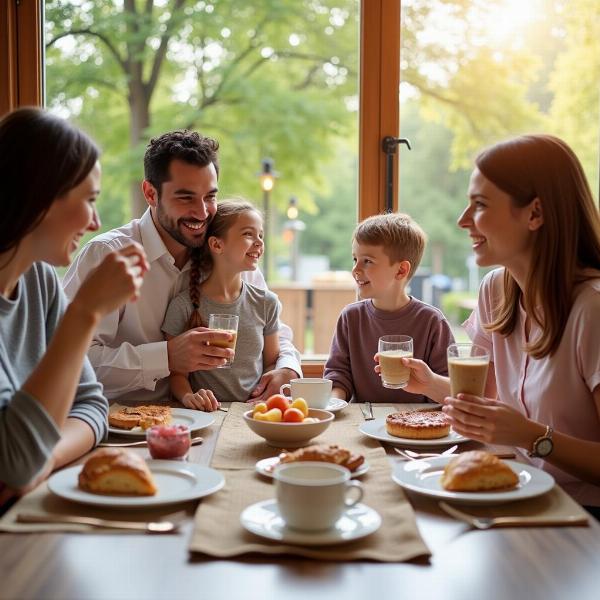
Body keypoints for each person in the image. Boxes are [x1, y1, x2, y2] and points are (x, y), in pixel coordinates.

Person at [399, 134, 600, 513]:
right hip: (515, 494)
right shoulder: (497, 291)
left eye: (479, 205)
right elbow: (488, 406)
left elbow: (516, 429)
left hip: (583, 519)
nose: (462, 221)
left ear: (535, 214)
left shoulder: (592, 310)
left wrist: (532, 437)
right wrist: (431, 384)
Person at [63, 130, 301, 406]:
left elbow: (274, 331)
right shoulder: (106, 255)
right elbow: (71, 359)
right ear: (150, 193)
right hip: (121, 425)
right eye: (186, 198)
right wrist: (165, 357)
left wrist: (287, 368)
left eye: (210, 197)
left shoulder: (227, 252)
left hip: (216, 419)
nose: (202, 213)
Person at [0, 107, 147, 499]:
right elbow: (14, 460)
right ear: (41, 197)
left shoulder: (40, 281)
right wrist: (85, 312)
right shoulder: (60, 295)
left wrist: (42, 463)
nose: (96, 222)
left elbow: (92, 406)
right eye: (90, 199)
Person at [162, 200, 280, 411]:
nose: (259, 242)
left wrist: (266, 393)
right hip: (206, 413)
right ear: (217, 245)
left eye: (260, 235)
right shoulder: (183, 306)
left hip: (254, 413)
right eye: (248, 234)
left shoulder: (266, 303)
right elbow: (176, 373)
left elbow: (271, 362)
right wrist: (189, 396)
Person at [324, 212, 454, 403]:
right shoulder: (350, 317)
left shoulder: (432, 322)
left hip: (419, 424)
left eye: (367, 261)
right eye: (355, 259)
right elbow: (338, 374)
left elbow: (450, 388)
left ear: (401, 270)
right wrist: (333, 404)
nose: (355, 269)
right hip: (362, 421)